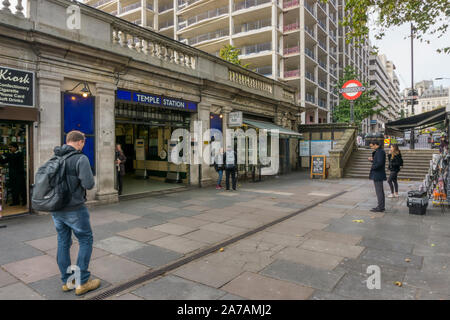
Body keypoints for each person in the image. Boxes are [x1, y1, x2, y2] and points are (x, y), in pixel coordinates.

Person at [51, 130, 99, 296]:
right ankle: (82, 282)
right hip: (75, 209)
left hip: (56, 209)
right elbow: (89, 184)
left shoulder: (55, 157)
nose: (83, 145)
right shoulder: (80, 158)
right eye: (83, 142)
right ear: (79, 142)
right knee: (86, 239)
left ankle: (66, 282)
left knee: (63, 242)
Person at [368, 140, 386, 212]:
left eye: (371, 146)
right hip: (378, 174)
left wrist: (373, 167)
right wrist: (372, 160)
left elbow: (380, 163)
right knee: (379, 191)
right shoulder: (379, 151)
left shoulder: (380, 152)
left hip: (378, 174)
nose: (371, 148)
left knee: (379, 191)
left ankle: (380, 207)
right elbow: (378, 161)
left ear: (376, 144)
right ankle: (380, 206)